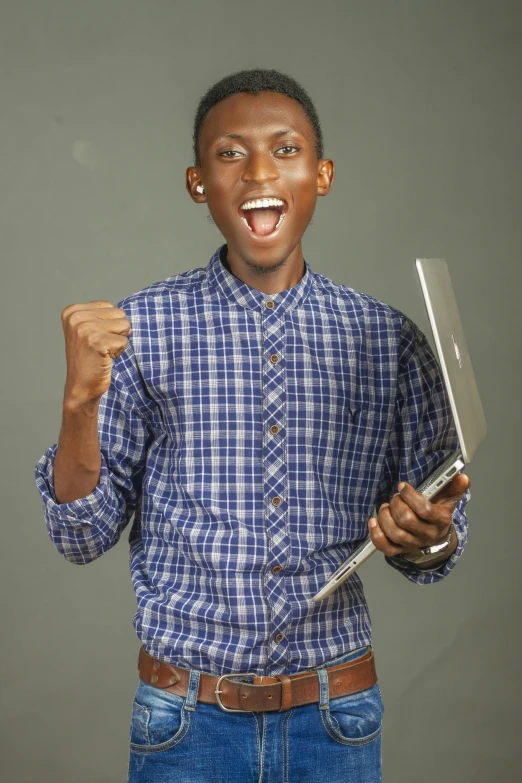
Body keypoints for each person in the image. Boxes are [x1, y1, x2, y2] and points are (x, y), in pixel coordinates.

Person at [35, 69, 470, 783]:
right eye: (230, 153)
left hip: (338, 716)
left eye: (286, 148)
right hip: (185, 723)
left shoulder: (389, 339)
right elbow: (78, 536)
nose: (260, 171)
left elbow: (439, 542)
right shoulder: (138, 330)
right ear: (197, 182)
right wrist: (79, 404)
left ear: (322, 174)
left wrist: (430, 532)